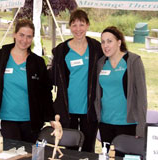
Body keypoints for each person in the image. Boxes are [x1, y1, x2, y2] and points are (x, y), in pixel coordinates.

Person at [0, 19, 54, 143]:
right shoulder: (0, 56)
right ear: (14, 34)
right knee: (11, 154)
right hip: (5, 119)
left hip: (31, 121)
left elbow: (46, 92)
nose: (24, 40)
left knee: (28, 155)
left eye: (29, 36)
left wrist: (51, 117)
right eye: (21, 35)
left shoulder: (38, 62)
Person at [50, 9, 103, 152]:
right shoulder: (61, 50)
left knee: (88, 148)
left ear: (88, 25)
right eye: (74, 25)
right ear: (69, 27)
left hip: (89, 109)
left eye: (81, 24)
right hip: (68, 109)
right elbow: (53, 77)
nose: (78, 29)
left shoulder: (96, 48)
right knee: (69, 149)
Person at [95, 26, 147, 156]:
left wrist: (141, 127)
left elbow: (141, 97)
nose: (105, 45)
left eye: (109, 41)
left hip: (127, 124)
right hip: (106, 123)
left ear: (119, 42)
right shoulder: (101, 63)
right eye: (103, 42)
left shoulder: (133, 61)